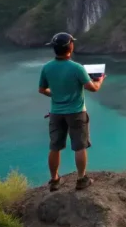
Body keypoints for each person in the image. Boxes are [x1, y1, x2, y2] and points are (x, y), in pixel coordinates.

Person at [38, 32, 105, 191]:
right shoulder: (77, 68)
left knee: (55, 147)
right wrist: (100, 79)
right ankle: (81, 179)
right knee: (79, 146)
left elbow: (42, 89)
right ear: (71, 47)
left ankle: (54, 180)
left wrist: (56, 94)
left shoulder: (47, 68)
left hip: (56, 113)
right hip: (76, 112)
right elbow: (93, 89)